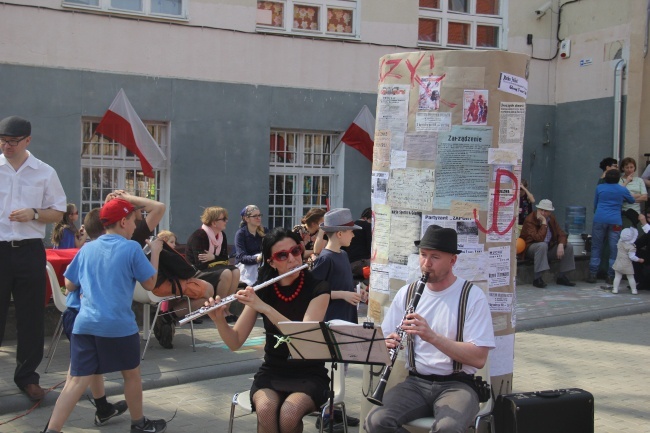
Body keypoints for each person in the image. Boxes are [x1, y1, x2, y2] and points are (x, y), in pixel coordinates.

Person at [43, 198, 167, 433]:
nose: (134, 226)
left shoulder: (88, 247)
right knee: (131, 374)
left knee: (76, 381)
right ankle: (138, 423)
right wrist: (156, 253)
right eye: (132, 221)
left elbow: (69, 283)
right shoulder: (131, 248)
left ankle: (52, 430)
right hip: (118, 325)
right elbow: (150, 284)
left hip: (84, 325)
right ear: (122, 222)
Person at [364, 225, 495, 433]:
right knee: (376, 421)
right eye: (423, 255)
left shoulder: (472, 297)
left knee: (448, 428)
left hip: (458, 384)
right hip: (416, 382)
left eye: (435, 257)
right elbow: (384, 339)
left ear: (453, 260)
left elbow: (479, 358)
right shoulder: (407, 293)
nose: (426, 263)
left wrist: (432, 337)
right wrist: (385, 344)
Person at [205, 227, 331, 433]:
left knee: (289, 413)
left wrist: (263, 307)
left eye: (296, 251)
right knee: (265, 409)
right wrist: (219, 320)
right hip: (273, 370)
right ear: (271, 262)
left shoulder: (319, 288)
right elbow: (235, 341)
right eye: (282, 255)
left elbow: (303, 337)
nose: (292, 259)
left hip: (309, 372)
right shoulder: (262, 290)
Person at [0, 115, 67, 401]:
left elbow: (59, 212)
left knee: (31, 316)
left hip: (29, 249)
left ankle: (27, 377)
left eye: (13, 141)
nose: (7, 146)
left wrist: (34, 214)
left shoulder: (44, 172)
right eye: (3, 140)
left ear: (28, 140)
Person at [60, 208, 128, 426]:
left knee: (90, 367)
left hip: (79, 315)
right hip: (82, 315)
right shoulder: (95, 250)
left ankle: (103, 408)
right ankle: (54, 424)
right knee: (76, 377)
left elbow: (69, 283)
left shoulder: (88, 249)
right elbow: (69, 284)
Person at [310, 208, 362, 431]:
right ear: (339, 233)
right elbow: (313, 292)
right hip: (333, 320)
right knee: (333, 369)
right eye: (350, 231)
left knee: (343, 368)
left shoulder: (343, 255)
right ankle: (326, 414)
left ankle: (335, 409)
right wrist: (343, 294)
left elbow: (345, 283)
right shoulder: (326, 259)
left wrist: (359, 292)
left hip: (346, 316)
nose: (353, 235)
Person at [186, 206, 240, 322]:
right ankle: (218, 310)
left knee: (235, 271)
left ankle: (226, 309)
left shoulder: (221, 235)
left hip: (212, 269)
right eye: (223, 219)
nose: (227, 221)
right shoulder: (199, 236)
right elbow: (201, 264)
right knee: (226, 273)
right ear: (214, 222)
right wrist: (217, 260)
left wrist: (213, 257)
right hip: (196, 272)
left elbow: (225, 258)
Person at [587, 169, 635, 284]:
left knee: (596, 246)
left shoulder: (600, 188)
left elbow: (595, 204)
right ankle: (611, 275)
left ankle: (593, 274)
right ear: (618, 179)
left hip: (600, 218)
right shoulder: (622, 189)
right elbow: (631, 200)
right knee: (614, 248)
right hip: (615, 221)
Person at [520, 199, 577, 288]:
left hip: (547, 248)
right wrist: (543, 223)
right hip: (531, 248)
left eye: (545, 211)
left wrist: (561, 244)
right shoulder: (530, 219)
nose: (542, 213)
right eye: (540, 210)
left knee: (568, 246)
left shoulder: (552, 218)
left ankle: (562, 276)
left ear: (550, 212)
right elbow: (538, 239)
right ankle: (537, 278)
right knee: (542, 245)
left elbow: (561, 233)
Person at [234, 205, 267, 286]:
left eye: (259, 215)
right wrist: (257, 258)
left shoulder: (265, 231)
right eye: (255, 216)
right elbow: (241, 257)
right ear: (246, 218)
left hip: (261, 264)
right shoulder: (241, 234)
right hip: (246, 267)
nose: (258, 218)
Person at [612, 228, 643, 294]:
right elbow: (632, 257)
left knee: (617, 277)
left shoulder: (620, 242)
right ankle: (634, 290)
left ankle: (615, 289)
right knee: (631, 277)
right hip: (627, 264)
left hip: (618, 262)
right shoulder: (631, 247)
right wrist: (639, 260)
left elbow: (622, 239)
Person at [344, 207, 372, 279]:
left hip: (350, 264)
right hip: (363, 263)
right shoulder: (367, 226)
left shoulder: (352, 226)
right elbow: (371, 247)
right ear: (366, 218)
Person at [619, 157, 647, 227]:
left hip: (637, 212)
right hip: (624, 212)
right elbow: (619, 197)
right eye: (627, 167)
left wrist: (628, 198)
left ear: (634, 168)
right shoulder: (619, 180)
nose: (629, 170)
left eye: (631, 167)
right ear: (623, 168)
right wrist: (637, 195)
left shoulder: (639, 180)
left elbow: (644, 197)